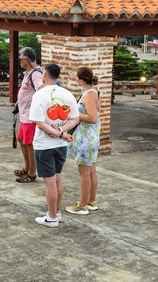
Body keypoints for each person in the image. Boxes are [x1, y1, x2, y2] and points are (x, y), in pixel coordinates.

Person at [29, 64, 80, 228]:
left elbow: (39, 123)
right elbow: (75, 119)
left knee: (50, 181)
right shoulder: (67, 93)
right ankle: (56, 212)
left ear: (44, 75)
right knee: (58, 178)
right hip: (61, 145)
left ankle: (51, 217)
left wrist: (57, 132)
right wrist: (61, 131)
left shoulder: (39, 95)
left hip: (44, 145)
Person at [65, 67, 101, 215]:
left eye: (76, 77)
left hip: (86, 139)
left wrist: (76, 114)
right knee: (91, 170)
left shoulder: (89, 95)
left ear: (81, 80)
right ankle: (91, 201)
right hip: (90, 137)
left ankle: (82, 205)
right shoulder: (92, 93)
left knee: (84, 172)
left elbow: (92, 118)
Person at [14, 47, 44, 183]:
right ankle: (27, 168)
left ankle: (32, 173)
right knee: (21, 139)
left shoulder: (36, 74)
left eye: (21, 59)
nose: (19, 61)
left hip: (30, 117)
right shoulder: (29, 72)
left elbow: (41, 91)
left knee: (30, 144)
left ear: (26, 60)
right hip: (24, 114)